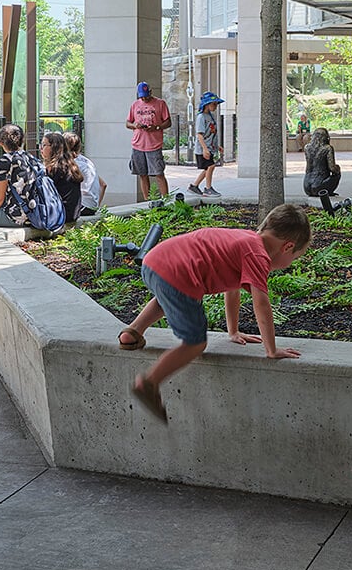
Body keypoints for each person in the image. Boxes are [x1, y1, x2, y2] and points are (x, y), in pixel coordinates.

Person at [118, 203, 310, 423]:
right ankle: (149, 382)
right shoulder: (259, 255)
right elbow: (261, 304)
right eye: (295, 257)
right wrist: (271, 350)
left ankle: (132, 333)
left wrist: (233, 331)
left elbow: (232, 289)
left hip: (154, 261)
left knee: (168, 298)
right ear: (287, 247)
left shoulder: (244, 240)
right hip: (179, 275)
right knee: (195, 343)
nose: (290, 263)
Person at [126, 80, 171, 201]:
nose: (144, 99)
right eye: (142, 97)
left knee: (159, 173)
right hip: (138, 144)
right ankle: (147, 200)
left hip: (154, 144)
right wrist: (135, 125)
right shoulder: (135, 105)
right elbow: (127, 123)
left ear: (150, 92)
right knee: (142, 174)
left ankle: (166, 199)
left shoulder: (160, 103)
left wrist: (156, 127)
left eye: (146, 96)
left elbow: (168, 122)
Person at [39, 129, 83, 223]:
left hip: (60, 214)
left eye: (44, 145)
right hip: (73, 213)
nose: (41, 148)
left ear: (54, 147)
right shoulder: (69, 164)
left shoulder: (55, 168)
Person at [189, 91, 224, 195]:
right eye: (213, 104)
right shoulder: (201, 117)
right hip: (203, 149)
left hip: (209, 148)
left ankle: (194, 186)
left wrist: (217, 146)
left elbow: (211, 134)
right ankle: (208, 188)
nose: (215, 106)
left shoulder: (210, 117)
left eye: (216, 104)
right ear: (207, 104)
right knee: (211, 166)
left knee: (207, 169)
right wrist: (204, 149)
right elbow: (200, 135)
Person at [65, 131, 106, 214]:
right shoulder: (87, 161)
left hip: (81, 206)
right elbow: (103, 185)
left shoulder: (72, 163)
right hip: (91, 207)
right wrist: (96, 206)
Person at [302, 126, 340, 198]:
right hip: (319, 187)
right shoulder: (327, 148)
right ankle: (329, 191)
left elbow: (308, 169)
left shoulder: (307, 147)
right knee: (337, 171)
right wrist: (337, 169)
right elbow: (332, 168)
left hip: (307, 186)